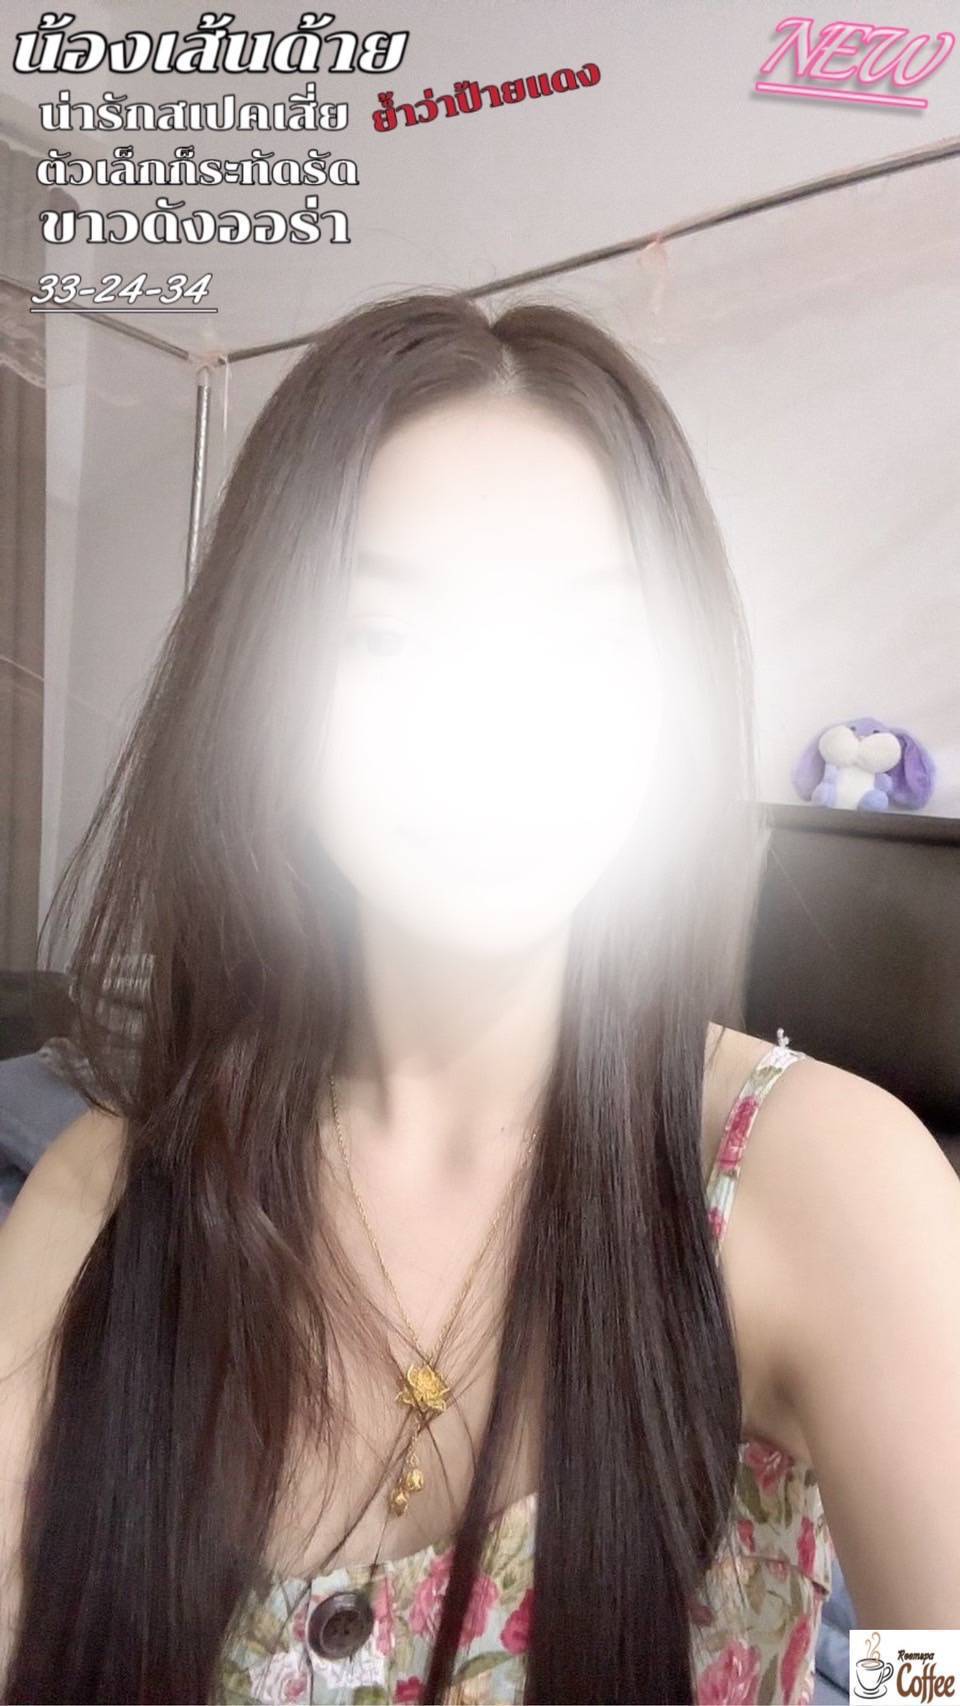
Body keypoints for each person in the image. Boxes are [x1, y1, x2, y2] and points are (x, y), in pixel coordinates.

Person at [2, 290, 959, 1706]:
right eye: (385, 639)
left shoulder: (819, 1176)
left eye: (582, 645)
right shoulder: (107, 1193)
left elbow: (935, 1669)